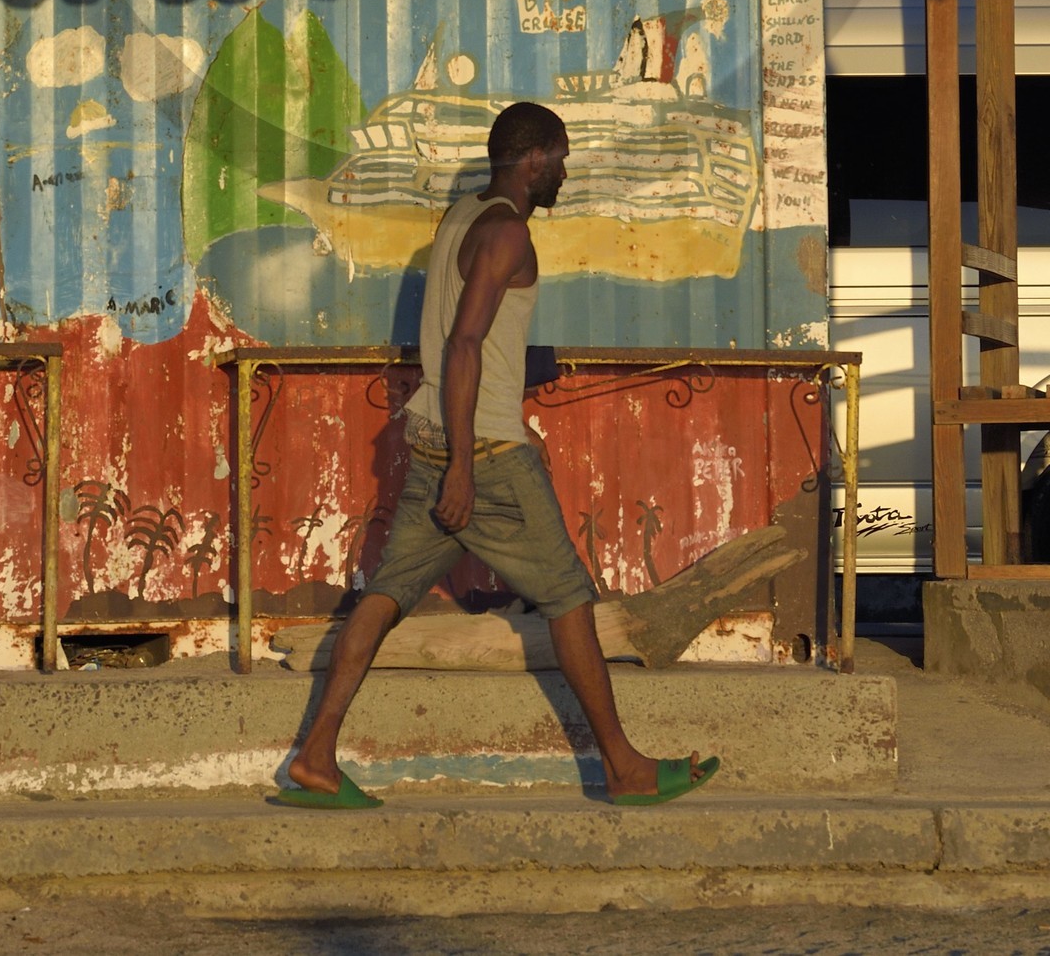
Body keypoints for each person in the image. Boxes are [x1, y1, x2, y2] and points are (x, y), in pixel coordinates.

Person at [279, 100, 720, 810]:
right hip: (481, 452)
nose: (565, 173)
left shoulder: (462, 216)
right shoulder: (509, 233)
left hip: (435, 432)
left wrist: (503, 408)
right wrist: (464, 463)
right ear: (533, 158)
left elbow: (471, 340)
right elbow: (464, 345)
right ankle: (625, 768)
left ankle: (317, 756)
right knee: (569, 597)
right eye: (561, 158)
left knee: (384, 595)